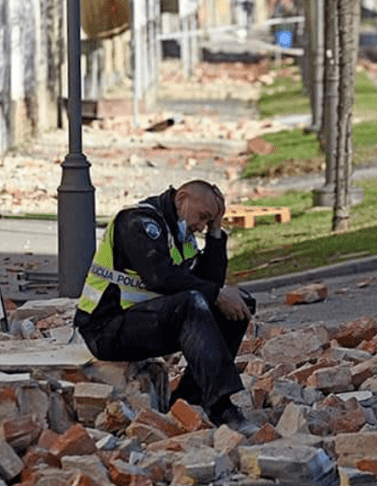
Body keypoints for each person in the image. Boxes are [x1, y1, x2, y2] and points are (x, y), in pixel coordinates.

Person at [74, 180, 259, 435]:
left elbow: (211, 284)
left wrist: (216, 232)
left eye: (207, 222)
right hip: (105, 328)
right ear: (182, 198)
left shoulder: (182, 234)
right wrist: (216, 294)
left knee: (238, 305)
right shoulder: (137, 221)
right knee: (192, 303)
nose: (201, 226)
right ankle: (221, 407)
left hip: (145, 322)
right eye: (203, 217)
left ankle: (189, 401)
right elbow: (158, 277)